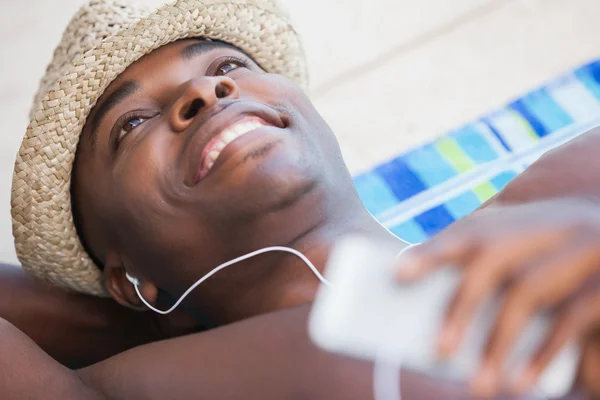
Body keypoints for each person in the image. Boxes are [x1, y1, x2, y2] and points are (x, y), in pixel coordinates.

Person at [3, 0, 600, 398]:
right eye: (130, 126)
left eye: (229, 64)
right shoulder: (131, 387)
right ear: (126, 275)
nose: (205, 91)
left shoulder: (564, 194)